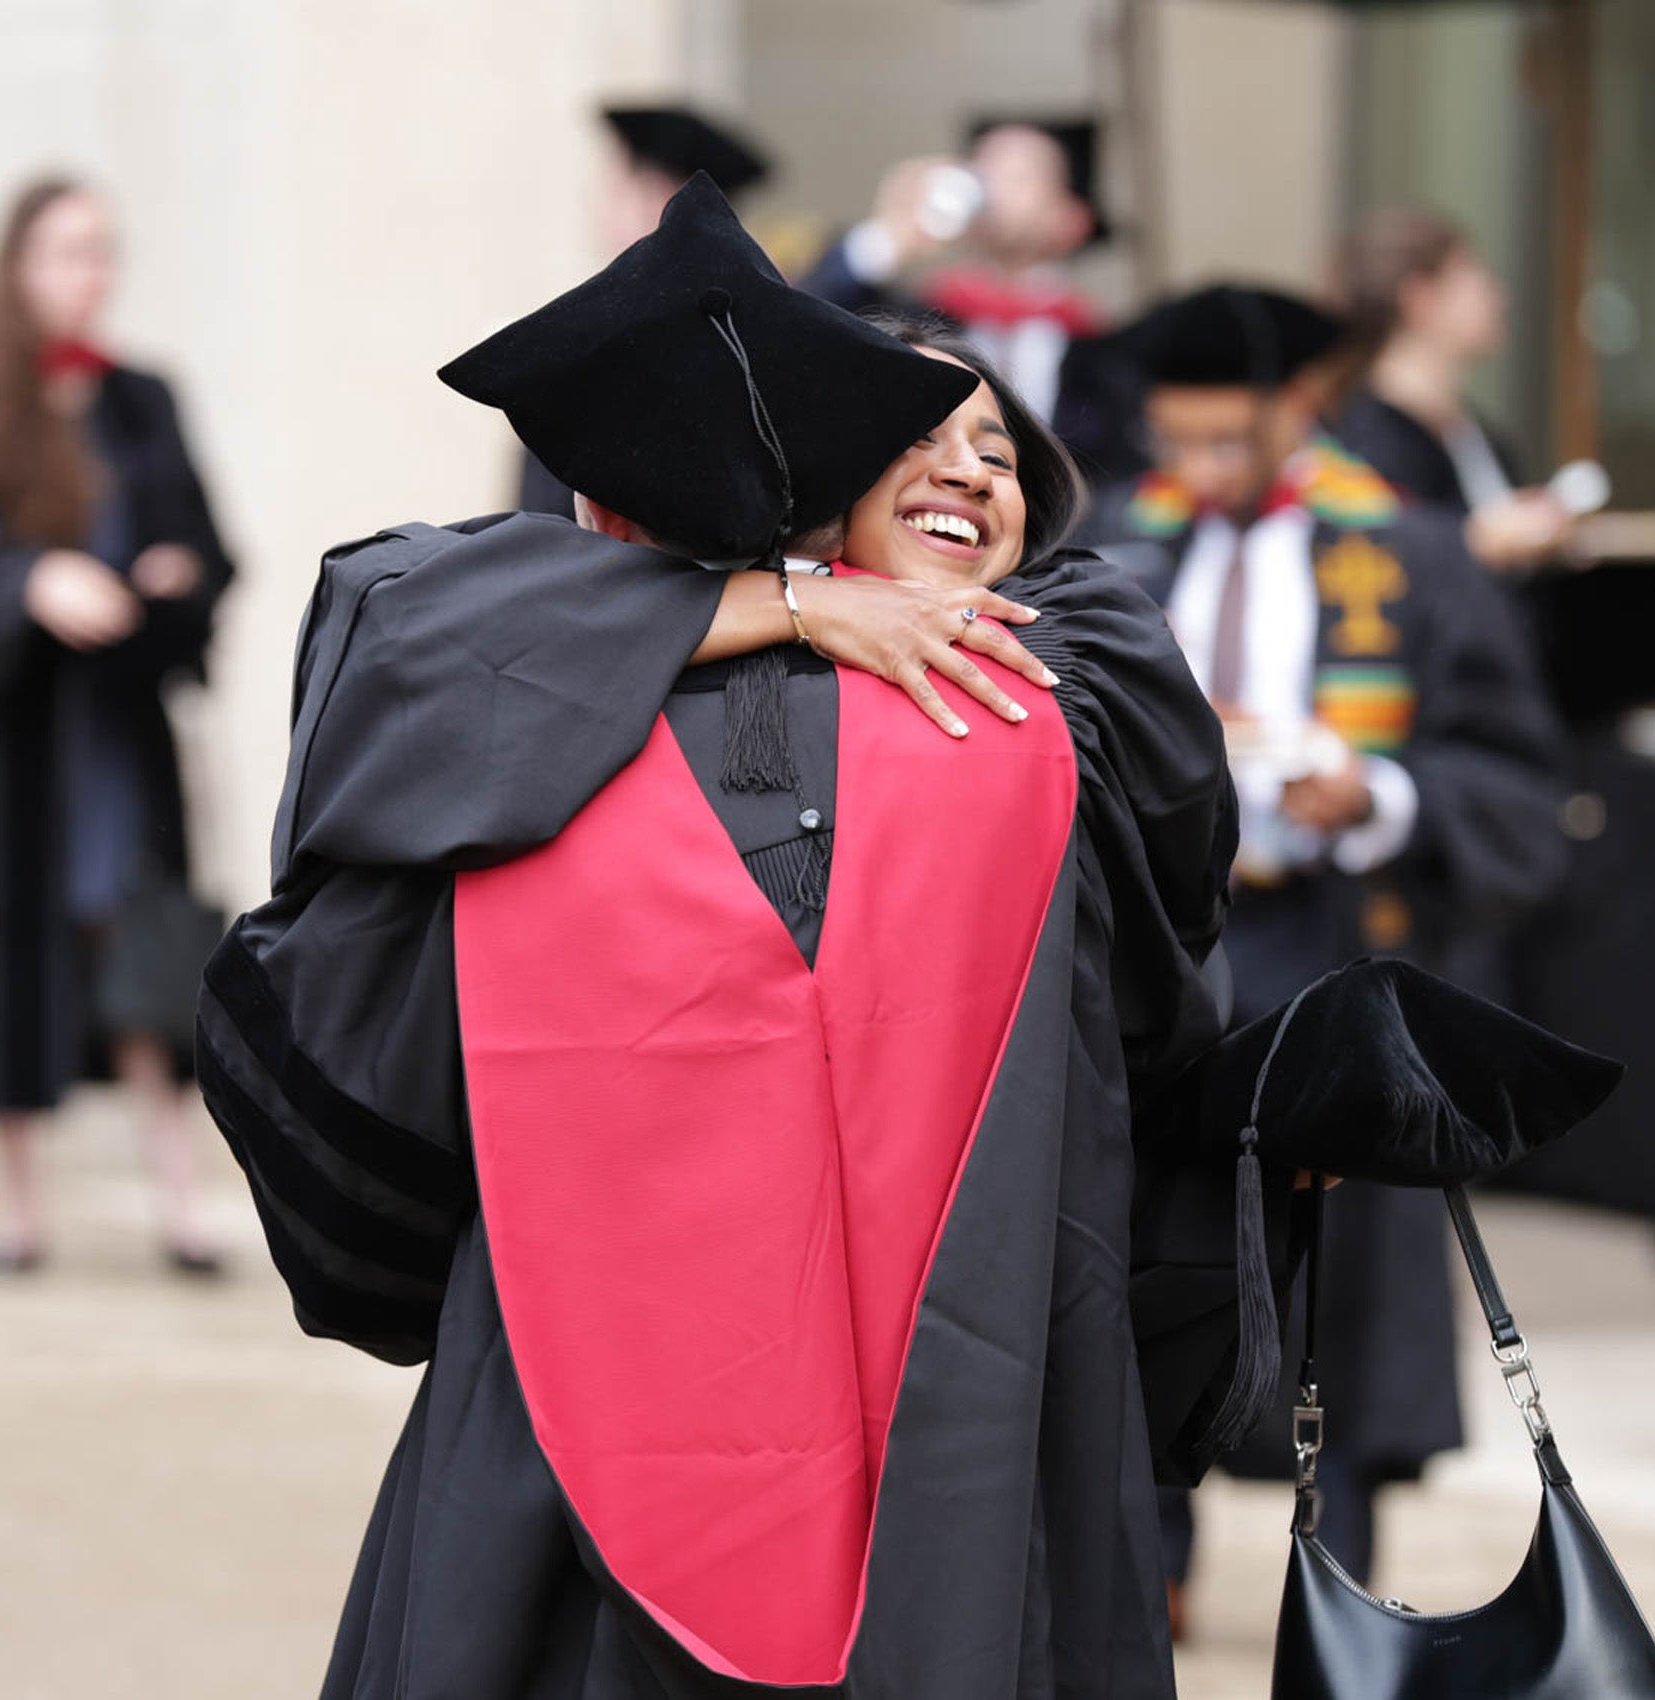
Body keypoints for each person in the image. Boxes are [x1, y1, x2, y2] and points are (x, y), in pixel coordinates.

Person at [198, 177, 1262, 1697]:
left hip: (961, 1353)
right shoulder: (603, 695)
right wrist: (783, 606)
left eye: (997, 451)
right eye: (920, 441)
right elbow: (408, 634)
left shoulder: (1062, 704)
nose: (969, 467)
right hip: (599, 1351)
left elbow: (1158, 994)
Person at [1079, 284, 1568, 1603]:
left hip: (1331, 944)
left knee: (1338, 1278)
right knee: (1150, 1249)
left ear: (1298, 411)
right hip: (1167, 952)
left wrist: (1377, 795)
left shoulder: (1412, 554)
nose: (1199, 471)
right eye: (1175, 442)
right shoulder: (1118, 545)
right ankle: (1148, 1567)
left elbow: (1514, 778)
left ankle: (1337, 1574)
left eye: (1228, 441)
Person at [0, 177, 233, 1276]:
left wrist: (177, 578)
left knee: (142, 959)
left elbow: (207, 545)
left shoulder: (143, 402)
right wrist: (25, 584)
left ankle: (183, 1199)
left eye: (103, 251)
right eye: (68, 251)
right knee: (14, 959)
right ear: (17, 267)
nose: (90, 273)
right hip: (12, 746)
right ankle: (18, 1208)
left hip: (114, 738)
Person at [801, 117, 1144, 481]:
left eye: (1019, 176)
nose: (992, 188)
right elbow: (804, 331)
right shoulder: (922, 322)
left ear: (1071, 217)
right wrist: (890, 238)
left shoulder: (1102, 351)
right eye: (983, 169)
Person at [516, 103, 772, 519]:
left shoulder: (607, 347)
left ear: (656, 197)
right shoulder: (745, 332)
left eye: (612, 189)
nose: (596, 209)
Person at [1329, 205, 1576, 573]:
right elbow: (1382, 553)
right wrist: (1480, 540)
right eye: (1474, 275)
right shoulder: (1365, 438)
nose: (1498, 295)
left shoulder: (1477, 433)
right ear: (1419, 298)